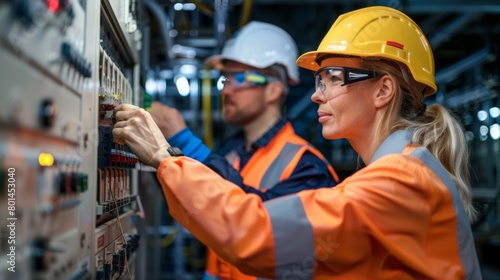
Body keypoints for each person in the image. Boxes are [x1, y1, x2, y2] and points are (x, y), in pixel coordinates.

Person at [113, 6, 481, 279]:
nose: (316, 96)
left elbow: (257, 233)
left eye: (333, 78)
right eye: (319, 81)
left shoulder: (401, 181)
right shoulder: (398, 174)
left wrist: (165, 156)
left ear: (382, 90)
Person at [149, 21, 339, 279]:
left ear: (274, 89)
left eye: (239, 78)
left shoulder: (307, 168)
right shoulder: (231, 152)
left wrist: (184, 142)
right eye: (225, 78)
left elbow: (260, 229)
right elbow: (197, 206)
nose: (226, 89)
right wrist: (157, 151)